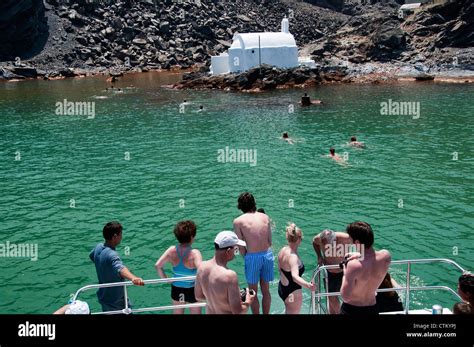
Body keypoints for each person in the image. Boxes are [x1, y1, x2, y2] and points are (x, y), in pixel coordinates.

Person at [194, 231, 255, 314]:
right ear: (229, 251)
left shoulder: (202, 267)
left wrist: (219, 299)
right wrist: (248, 301)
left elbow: (198, 296)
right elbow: (238, 311)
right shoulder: (229, 276)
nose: (236, 252)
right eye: (236, 249)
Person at [89, 221, 144, 313]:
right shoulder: (112, 254)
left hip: (104, 297)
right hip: (116, 301)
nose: (121, 237)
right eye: (120, 234)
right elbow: (120, 268)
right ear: (115, 236)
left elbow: (92, 256)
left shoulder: (98, 247)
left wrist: (104, 268)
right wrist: (133, 278)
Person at [233, 192, 274, 314]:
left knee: (252, 292)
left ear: (240, 206)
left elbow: (240, 245)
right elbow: (270, 241)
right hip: (267, 255)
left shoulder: (238, 221)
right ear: (254, 204)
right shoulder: (264, 217)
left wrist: (247, 256)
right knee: (266, 291)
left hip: (252, 257)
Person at [340, 221, 391, 315]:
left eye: (350, 240)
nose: (349, 242)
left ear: (357, 242)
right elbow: (370, 257)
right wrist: (359, 254)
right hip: (373, 308)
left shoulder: (353, 265)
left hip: (352, 310)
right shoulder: (386, 257)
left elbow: (345, 297)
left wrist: (345, 271)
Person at [155, 220, 203, 314]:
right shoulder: (194, 253)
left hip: (177, 288)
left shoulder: (171, 250)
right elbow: (202, 270)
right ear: (192, 237)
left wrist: (166, 280)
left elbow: (158, 265)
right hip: (192, 288)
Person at [278, 223, 315, 314]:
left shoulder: (283, 250)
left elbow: (280, 268)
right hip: (292, 293)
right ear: (298, 239)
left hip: (283, 288)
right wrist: (308, 285)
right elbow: (294, 276)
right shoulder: (293, 257)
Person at [312, 229, 352, 314]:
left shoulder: (345, 238)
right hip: (329, 272)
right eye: (325, 245)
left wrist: (354, 256)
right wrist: (319, 256)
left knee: (347, 295)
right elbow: (314, 243)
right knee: (330, 297)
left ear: (334, 240)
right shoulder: (318, 238)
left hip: (344, 271)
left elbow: (359, 243)